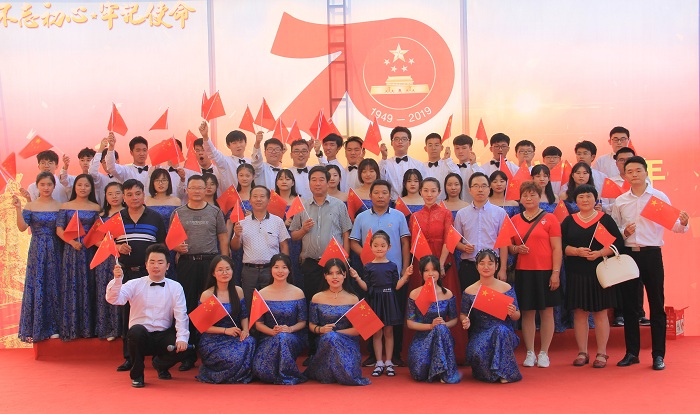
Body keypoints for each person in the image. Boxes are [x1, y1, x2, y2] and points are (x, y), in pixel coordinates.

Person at [612, 156, 689, 371]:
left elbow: (675, 226)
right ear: (625, 175)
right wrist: (623, 233)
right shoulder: (621, 201)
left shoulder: (658, 197)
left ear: (646, 172)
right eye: (630, 171)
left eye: (638, 170)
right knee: (629, 306)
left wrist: (683, 223)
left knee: (656, 304)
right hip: (629, 255)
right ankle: (631, 353)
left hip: (651, 255)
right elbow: (615, 229)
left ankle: (658, 355)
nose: (634, 174)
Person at [106, 244, 194, 388]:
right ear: (146, 265)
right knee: (135, 332)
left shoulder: (176, 287)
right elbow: (114, 299)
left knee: (185, 348)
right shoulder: (134, 284)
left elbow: (181, 315)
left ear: (167, 266)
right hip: (141, 336)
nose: (156, 266)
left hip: (163, 334)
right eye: (152, 262)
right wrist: (117, 280)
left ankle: (160, 365)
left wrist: (182, 338)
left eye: (160, 262)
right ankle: (137, 376)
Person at [289, 165, 352, 360]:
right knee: (313, 305)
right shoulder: (301, 206)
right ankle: (314, 351)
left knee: (335, 303)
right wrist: (303, 230)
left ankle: (338, 347)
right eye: (314, 180)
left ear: (328, 182)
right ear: (309, 183)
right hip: (310, 263)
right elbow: (294, 236)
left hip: (334, 265)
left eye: (321, 179)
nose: (317, 183)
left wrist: (346, 258)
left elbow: (346, 233)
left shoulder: (339, 205)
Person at [561, 184, 624, 368]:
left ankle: (602, 353)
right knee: (580, 313)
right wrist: (576, 251)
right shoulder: (569, 221)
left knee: (600, 312)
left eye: (588, 196)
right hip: (576, 272)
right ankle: (582, 352)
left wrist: (599, 253)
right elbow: (560, 245)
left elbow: (618, 244)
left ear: (595, 199)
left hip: (599, 272)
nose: (585, 200)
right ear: (575, 200)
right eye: (581, 197)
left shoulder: (605, 219)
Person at [171, 174, 229, 371]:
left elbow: (223, 238)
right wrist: (176, 247)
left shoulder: (215, 211)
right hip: (187, 263)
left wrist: (224, 261)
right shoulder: (178, 212)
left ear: (206, 190)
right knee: (187, 306)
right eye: (193, 188)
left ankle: (210, 351)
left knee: (209, 306)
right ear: (187, 190)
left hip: (209, 263)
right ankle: (187, 354)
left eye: (200, 188)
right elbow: (171, 240)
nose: (196, 191)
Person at [113, 179, 167, 372]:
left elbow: (162, 245)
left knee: (155, 312)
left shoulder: (155, 217)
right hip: (127, 273)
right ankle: (130, 357)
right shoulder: (117, 218)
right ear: (123, 197)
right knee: (127, 315)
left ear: (143, 194)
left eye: (137, 193)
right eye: (129, 194)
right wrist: (118, 246)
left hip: (150, 274)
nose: (134, 198)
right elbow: (105, 243)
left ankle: (158, 357)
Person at [409, 177, 463, 362]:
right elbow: (414, 243)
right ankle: (423, 350)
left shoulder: (446, 213)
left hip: (443, 259)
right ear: (420, 192)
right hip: (422, 263)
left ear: (439, 192)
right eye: (425, 190)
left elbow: (449, 238)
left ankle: (450, 351)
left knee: (445, 298)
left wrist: (440, 264)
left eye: (433, 190)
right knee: (421, 301)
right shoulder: (415, 216)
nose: (429, 194)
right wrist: (423, 268)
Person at [509, 181, 562, 368]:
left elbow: (557, 248)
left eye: (532, 195)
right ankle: (530, 352)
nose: (529, 198)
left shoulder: (550, 218)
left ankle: (544, 352)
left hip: (546, 271)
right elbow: (508, 245)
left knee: (547, 312)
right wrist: (516, 249)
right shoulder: (515, 220)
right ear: (520, 198)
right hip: (524, 271)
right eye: (525, 195)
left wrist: (555, 273)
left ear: (540, 197)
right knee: (527, 312)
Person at [12, 172, 63, 342]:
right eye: (42, 184)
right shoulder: (31, 206)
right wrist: (18, 208)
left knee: (55, 285)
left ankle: (56, 327)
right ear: (37, 186)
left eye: (49, 184)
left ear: (54, 186)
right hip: (37, 250)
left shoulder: (60, 206)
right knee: (38, 284)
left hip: (56, 249)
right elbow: (22, 227)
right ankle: (38, 327)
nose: (46, 188)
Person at [353, 231, 411, 376]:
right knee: (377, 332)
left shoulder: (392, 266)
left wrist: (406, 276)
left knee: (389, 332)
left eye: (383, 245)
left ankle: (389, 362)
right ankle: (379, 362)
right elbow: (366, 288)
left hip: (389, 300)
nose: (379, 248)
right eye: (376, 245)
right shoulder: (368, 267)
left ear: (389, 247)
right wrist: (357, 278)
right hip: (374, 301)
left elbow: (396, 286)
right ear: (371, 247)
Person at [460, 249, 521, 383]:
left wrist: (512, 313)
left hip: (504, 331)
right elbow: (463, 314)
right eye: (482, 263)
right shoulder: (470, 290)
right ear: (477, 266)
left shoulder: (506, 288)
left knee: (500, 331)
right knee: (478, 354)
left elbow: (517, 315)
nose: (486, 267)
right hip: (481, 332)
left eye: (490, 263)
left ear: (496, 265)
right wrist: (465, 321)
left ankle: (505, 373)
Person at [306, 259, 370, 385]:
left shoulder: (353, 298)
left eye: (338, 273)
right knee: (330, 338)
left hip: (348, 342)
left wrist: (335, 333)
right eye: (330, 273)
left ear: (345, 275)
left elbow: (357, 330)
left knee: (332, 337)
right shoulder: (317, 297)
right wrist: (321, 330)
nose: (334, 277)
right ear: (325, 276)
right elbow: (312, 325)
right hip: (324, 341)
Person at [196, 255, 256, 384]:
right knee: (233, 358)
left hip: (234, 336)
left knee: (250, 342)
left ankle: (239, 374)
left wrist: (245, 330)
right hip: (213, 340)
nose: (224, 273)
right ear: (213, 273)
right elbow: (203, 326)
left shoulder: (238, 291)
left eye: (227, 269)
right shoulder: (207, 295)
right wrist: (225, 330)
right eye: (220, 270)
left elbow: (244, 315)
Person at [56, 174, 101, 340]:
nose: (83, 188)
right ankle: (71, 327)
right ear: (74, 187)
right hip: (71, 251)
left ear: (91, 188)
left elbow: (98, 231)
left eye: (86, 185)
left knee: (90, 284)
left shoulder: (96, 207)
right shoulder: (66, 206)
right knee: (72, 284)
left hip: (90, 250)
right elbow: (59, 229)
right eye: (80, 185)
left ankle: (89, 328)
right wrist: (72, 242)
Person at [231, 185, 290, 311]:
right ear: (250, 200)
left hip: (271, 270)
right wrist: (237, 235)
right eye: (255, 196)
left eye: (262, 196)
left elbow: (284, 245)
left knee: (271, 305)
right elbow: (235, 247)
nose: (258, 199)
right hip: (249, 271)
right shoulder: (242, 222)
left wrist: (284, 267)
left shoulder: (277, 221)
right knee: (249, 305)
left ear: (268, 200)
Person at [252, 254, 308, 385]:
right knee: (261, 369)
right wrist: (272, 332)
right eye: (276, 267)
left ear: (289, 270)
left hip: (292, 337)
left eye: (284, 267)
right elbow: (258, 324)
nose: (280, 271)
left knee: (283, 337)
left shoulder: (298, 292)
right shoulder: (261, 293)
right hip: (269, 337)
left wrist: (289, 329)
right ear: (271, 269)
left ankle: (287, 374)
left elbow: (302, 322)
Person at [406, 255, 460, 383]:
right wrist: (431, 326)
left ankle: (444, 373)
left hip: (443, 337)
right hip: (422, 340)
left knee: (440, 329)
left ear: (439, 272)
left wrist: (444, 324)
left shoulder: (448, 294)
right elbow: (410, 323)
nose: (431, 273)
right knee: (419, 374)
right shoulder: (415, 294)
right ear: (421, 273)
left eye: (434, 270)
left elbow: (454, 320)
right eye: (426, 270)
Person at [454, 172, 509, 291]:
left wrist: (503, 269)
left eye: (484, 186)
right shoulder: (461, 214)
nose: (480, 189)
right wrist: (463, 247)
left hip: (492, 266)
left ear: (489, 189)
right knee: (469, 300)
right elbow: (455, 241)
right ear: (470, 190)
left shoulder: (500, 213)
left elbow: (504, 243)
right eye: (476, 186)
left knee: (492, 301)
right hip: (469, 266)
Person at [94, 182, 125, 340]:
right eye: (110, 194)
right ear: (105, 196)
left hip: (125, 257)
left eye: (117, 193)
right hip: (106, 257)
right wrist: (111, 246)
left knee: (123, 290)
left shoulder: (128, 213)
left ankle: (123, 328)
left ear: (123, 195)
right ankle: (109, 328)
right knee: (107, 289)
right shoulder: (101, 216)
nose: (114, 197)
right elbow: (95, 239)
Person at [378, 126, 428, 200]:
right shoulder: (385, 163)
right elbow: (380, 181)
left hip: (413, 202)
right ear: (392, 143)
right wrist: (384, 157)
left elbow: (424, 186)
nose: (400, 142)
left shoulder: (418, 165)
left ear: (409, 142)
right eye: (397, 139)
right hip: (391, 203)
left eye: (404, 139)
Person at [200, 122, 251, 192]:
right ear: (228, 146)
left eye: (240, 142)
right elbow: (213, 153)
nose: (238, 145)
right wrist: (205, 137)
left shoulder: (251, 162)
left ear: (245, 143)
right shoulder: (225, 162)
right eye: (234, 143)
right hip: (230, 197)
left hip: (250, 198)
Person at [275, 169, 303, 287]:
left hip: (296, 240)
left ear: (293, 182)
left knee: (295, 269)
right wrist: (282, 223)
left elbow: (305, 223)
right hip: (277, 240)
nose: (284, 182)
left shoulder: (299, 201)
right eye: (281, 179)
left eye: (287, 179)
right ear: (276, 182)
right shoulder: (272, 200)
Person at [422, 133, 458, 201]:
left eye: (436, 145)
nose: (433, 148)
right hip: (426, 203)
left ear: (441, 148)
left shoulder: (448, 164)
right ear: (425, 148)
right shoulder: (421, 167)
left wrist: (448, 159)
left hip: (445, 203)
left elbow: (458, 177)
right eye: (430, 145)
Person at [451, 134, 484, 203]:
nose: (460, 151)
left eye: (464, 148)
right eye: (457, 148)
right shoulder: (452, 168)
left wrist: (474, 164)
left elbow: (481, 183)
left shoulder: (476, 169)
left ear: (470, 149)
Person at [91, 137, 121, 206]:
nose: (108, 164)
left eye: (110, 161)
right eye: (104, 162)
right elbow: (92, 172)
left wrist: (111, 147)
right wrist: (100, 149)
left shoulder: (125, 175)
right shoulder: (101, 179)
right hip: (105, 211)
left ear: (118, 160)